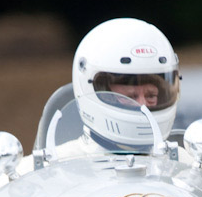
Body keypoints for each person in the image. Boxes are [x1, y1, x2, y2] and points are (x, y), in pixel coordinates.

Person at [70, 17, 181, 152]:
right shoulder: (56, 166)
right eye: (131, 97)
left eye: (151, 95)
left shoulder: (186, 164)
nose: (143, 105)